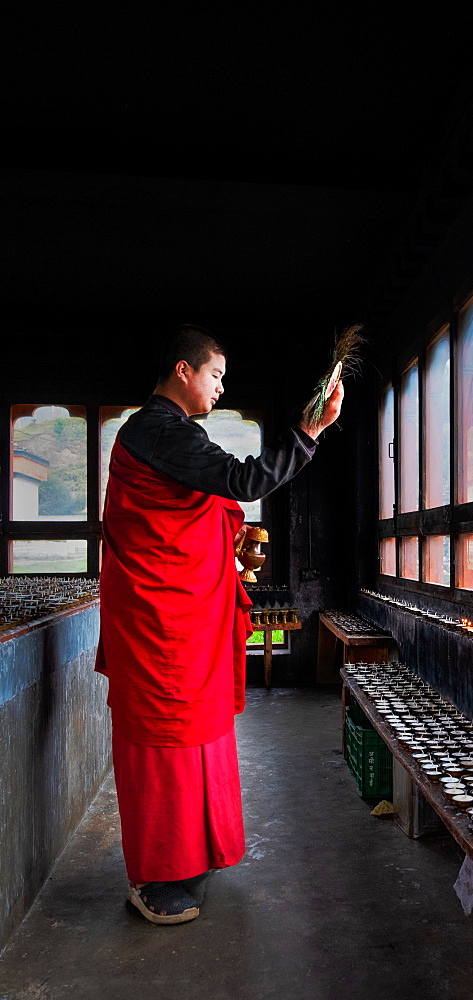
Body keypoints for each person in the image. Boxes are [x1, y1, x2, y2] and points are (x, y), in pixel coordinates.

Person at [96, 325, 343, 924]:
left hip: (182, 616)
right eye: (215, 375)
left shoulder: (171, 435)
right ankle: (154, 877)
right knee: (163, 741)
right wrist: (309, 432)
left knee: (198, 735)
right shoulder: (156, 429)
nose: (221, 387)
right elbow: (244, 481)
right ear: (182, 371)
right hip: (160, 621)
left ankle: (190, 856)